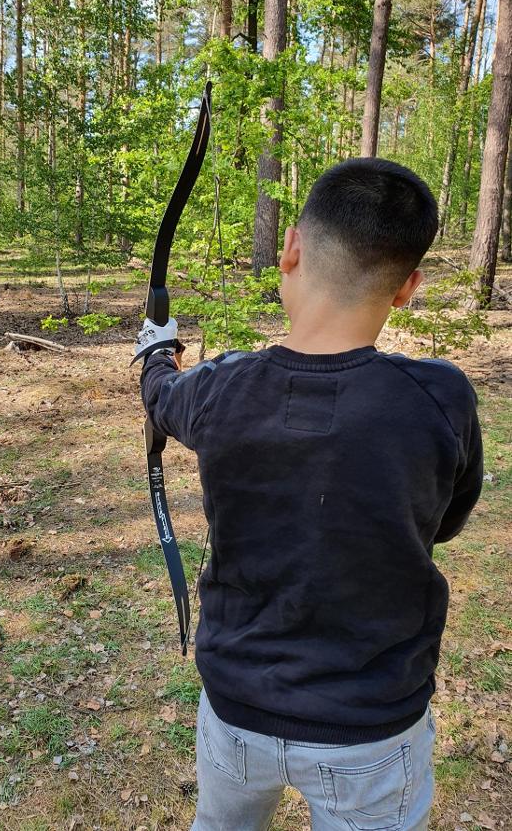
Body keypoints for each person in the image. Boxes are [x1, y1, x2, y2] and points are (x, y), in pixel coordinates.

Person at [134, 158, 484, 831]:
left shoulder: (220, 388)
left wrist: (157, 349)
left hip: (239, 712)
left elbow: (162, 395)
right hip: (372, 728)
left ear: (291, 248)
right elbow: (443, 521)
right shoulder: (441, 398)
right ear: (408, 286)